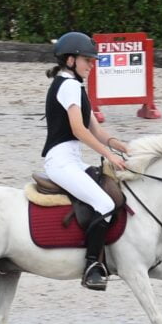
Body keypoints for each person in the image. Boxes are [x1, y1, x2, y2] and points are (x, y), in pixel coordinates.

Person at [41, 31, 129, 291]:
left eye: (92, 61)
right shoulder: (67, 85)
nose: (91, 65)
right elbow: (79, 130)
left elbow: (96, 130)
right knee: (103, 202)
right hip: (60, 161)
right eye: (87, 61)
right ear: (70, 60)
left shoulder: (76, 86)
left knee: (109, 190)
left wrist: (118, 144)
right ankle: (91, 265)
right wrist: (109, 155)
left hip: (72, 160)